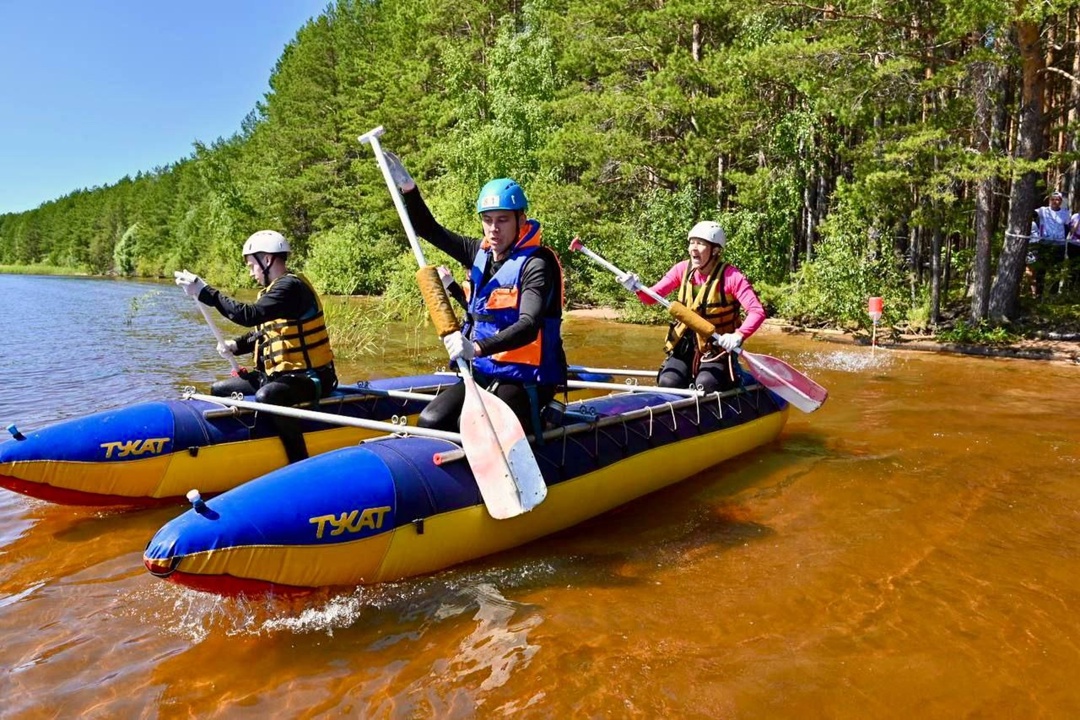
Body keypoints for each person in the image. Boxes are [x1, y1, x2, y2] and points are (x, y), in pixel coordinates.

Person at [382, 151, 566, 435]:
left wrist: (476, 348)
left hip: (529, 376)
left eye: (503, 220)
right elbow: (427, 229)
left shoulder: (537, 264)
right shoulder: (478, 252)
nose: (494, 229)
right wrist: (409, 189)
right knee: (432, 420)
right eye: (488, 219)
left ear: (521, 219)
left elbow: (529, 326)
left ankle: (539, 419)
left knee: (477, 429)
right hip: (484, 369)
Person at [173, 230, 338, 463]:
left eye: (252, 265)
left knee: (268, 395)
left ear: (267, 260)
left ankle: (298, 458)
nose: (251, 272)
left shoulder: (290, 288)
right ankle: (244, 443)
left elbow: (249, 315)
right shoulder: (274, 291)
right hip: (279, 376)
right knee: (219, 389)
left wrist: (206, 292)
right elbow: (265, 331)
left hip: (311, 378)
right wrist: (236, 345)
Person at [618, 221, 765, 393]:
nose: (693, 248)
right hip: (686, 345)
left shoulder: (732, 277)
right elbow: (651, 298)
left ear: (716, 250)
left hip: (717, 348)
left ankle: (737, 378)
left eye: (701, 243)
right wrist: (636, 287)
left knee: (706, 384)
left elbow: (757, 311)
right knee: (667, 381)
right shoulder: (682, 269)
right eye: (691, 242)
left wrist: (738, 335)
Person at [1031, 191, 1073, 297]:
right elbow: (1031, 214)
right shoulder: (1042, 210)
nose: (1055, 201)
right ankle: (1038, 294)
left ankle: (1053, 295)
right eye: (1053, 199)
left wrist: (1061, 238)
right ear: (1050, 200)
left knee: (1056, 270)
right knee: (1041, 270)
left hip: (1059, 245)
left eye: (1057, 199)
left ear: (1060, 201)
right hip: (1045, 243)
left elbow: (1068, 227)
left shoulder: (1065, 213)